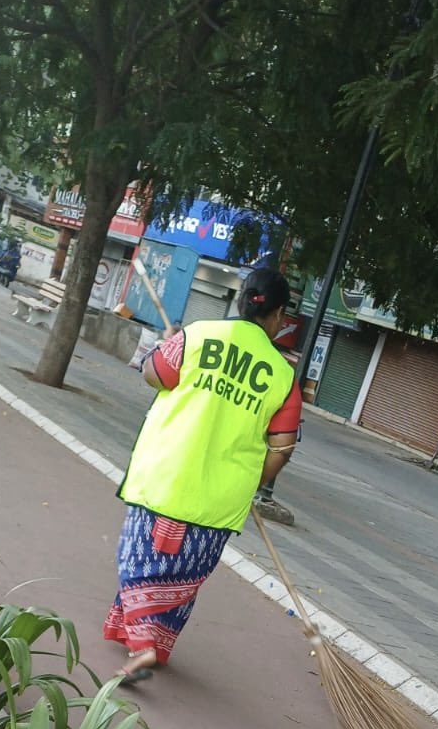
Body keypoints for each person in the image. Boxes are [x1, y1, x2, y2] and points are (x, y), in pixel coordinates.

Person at [104, 268, 301, 683]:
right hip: (218, 501)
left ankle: (141, 646)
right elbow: (282, 446)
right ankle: (147, 640)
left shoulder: (197, 335)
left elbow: (154, 374)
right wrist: (249, 484)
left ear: (242, 300)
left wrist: (166, 349)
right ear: (279, 314)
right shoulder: (283, 376)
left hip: (164, 476)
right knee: (182, 576)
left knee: (140, 560)